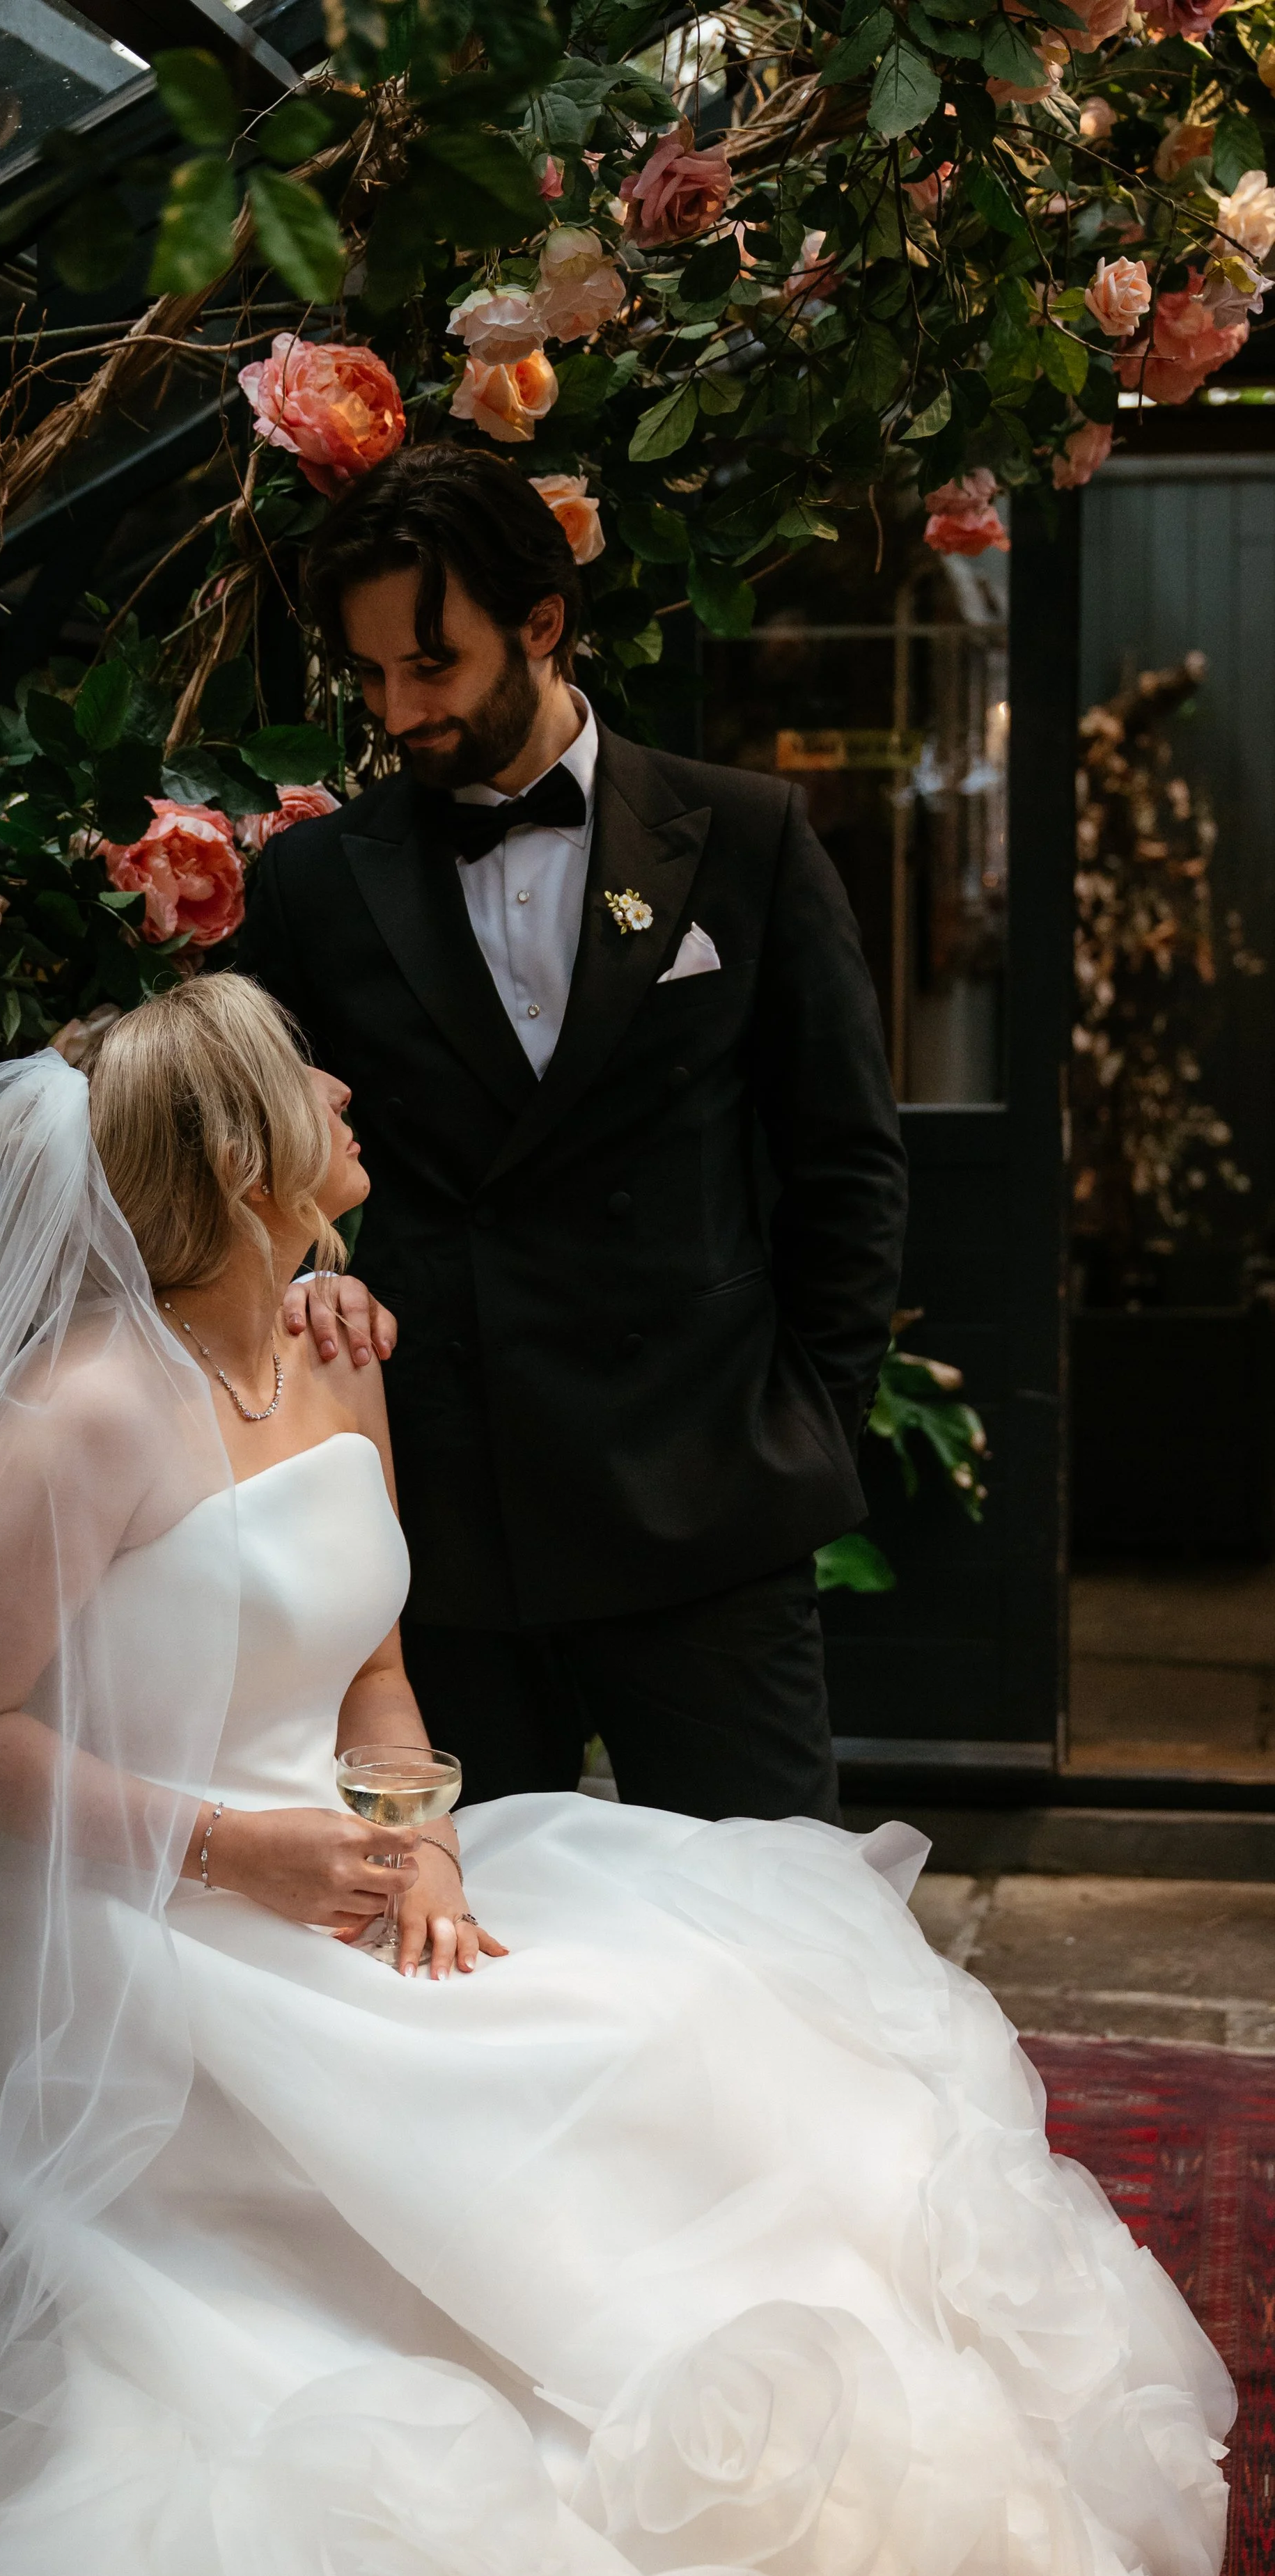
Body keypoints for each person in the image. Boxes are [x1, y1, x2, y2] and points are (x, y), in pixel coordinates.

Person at [0, 977, 1230, 2576]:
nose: (345, 1087)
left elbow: (373, 1672)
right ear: (245, 1155)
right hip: (150, 1942)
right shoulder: (77, 1414)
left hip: (356, 1876)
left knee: (694, 2021)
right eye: (308, 1075)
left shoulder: (329, 1352)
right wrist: (239, 1851)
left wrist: (422, 1849)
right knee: (551, 2093)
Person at [241, 443, 908, 1823]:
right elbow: (248, 1175)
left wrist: (805, 1428)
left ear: (540, 625)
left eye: (431, 666)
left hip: (706, 1499)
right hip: (438, 1515)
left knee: (764, 1938)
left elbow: (842, 1163)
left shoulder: (744, 837)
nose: (399, 711)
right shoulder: (311, 884)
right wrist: (319, 1305)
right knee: (467, 1959)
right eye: (368, 679)